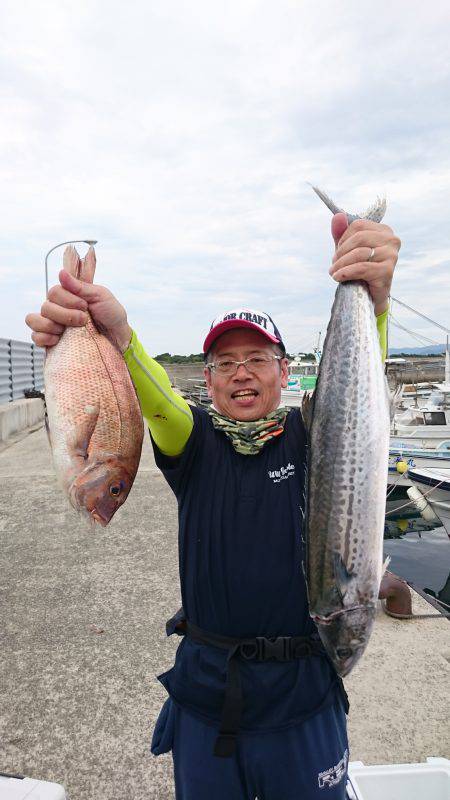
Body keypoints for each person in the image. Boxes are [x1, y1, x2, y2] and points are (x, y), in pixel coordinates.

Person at [26, 212, 400, 799]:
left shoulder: (319, 439)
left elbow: (362, 409)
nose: (241, 373)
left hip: (303, 692)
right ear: (209, 377)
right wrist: (119, 336)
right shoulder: (193, 442)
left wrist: (376, 306)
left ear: (284, 371)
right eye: (225, 363)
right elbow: (154, 393)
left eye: (257, 359)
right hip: (208, 696)